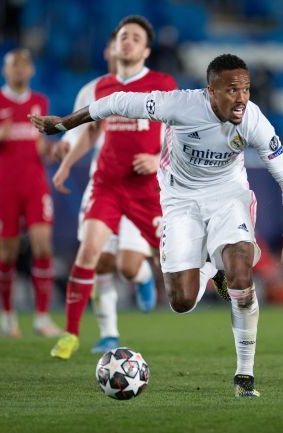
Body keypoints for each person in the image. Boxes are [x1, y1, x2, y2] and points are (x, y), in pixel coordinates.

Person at [29, 53, 283, 398]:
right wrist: (64, 124)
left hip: (228, 198)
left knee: (241, 275)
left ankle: (244, 376)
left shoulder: (253, 120)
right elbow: (115, 102)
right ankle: (211, 269)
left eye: (246, 89)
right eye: (232, 90)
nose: (241, 98)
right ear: (211, 91)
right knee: (181, 301)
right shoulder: (179, 105)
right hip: (180, 201)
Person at [44, 16, 177, 360]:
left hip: (146, 187)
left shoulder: (162, 83)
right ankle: (71, 334)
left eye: (135, 38)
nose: (127, 42)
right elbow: (91, 131)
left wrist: (157, 157)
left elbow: (181, 130)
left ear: (146, 50)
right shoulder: (101, 86)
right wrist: (67, 165)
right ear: (114, 46)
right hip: (107, 184)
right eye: (123, 37)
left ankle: (146, 277)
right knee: (90, 252)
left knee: (148, 263)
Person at [0, 48, 60, 338]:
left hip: (35, 184)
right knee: (7, 253)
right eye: (14, 65)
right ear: (4, 71)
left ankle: (42, 318)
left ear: (31, 70)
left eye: (24, 65)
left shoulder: (40, 102)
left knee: (43, 247)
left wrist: (49, 150)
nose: (19, 69)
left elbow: (39, 145)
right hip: (5, 186)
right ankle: (7, 316)